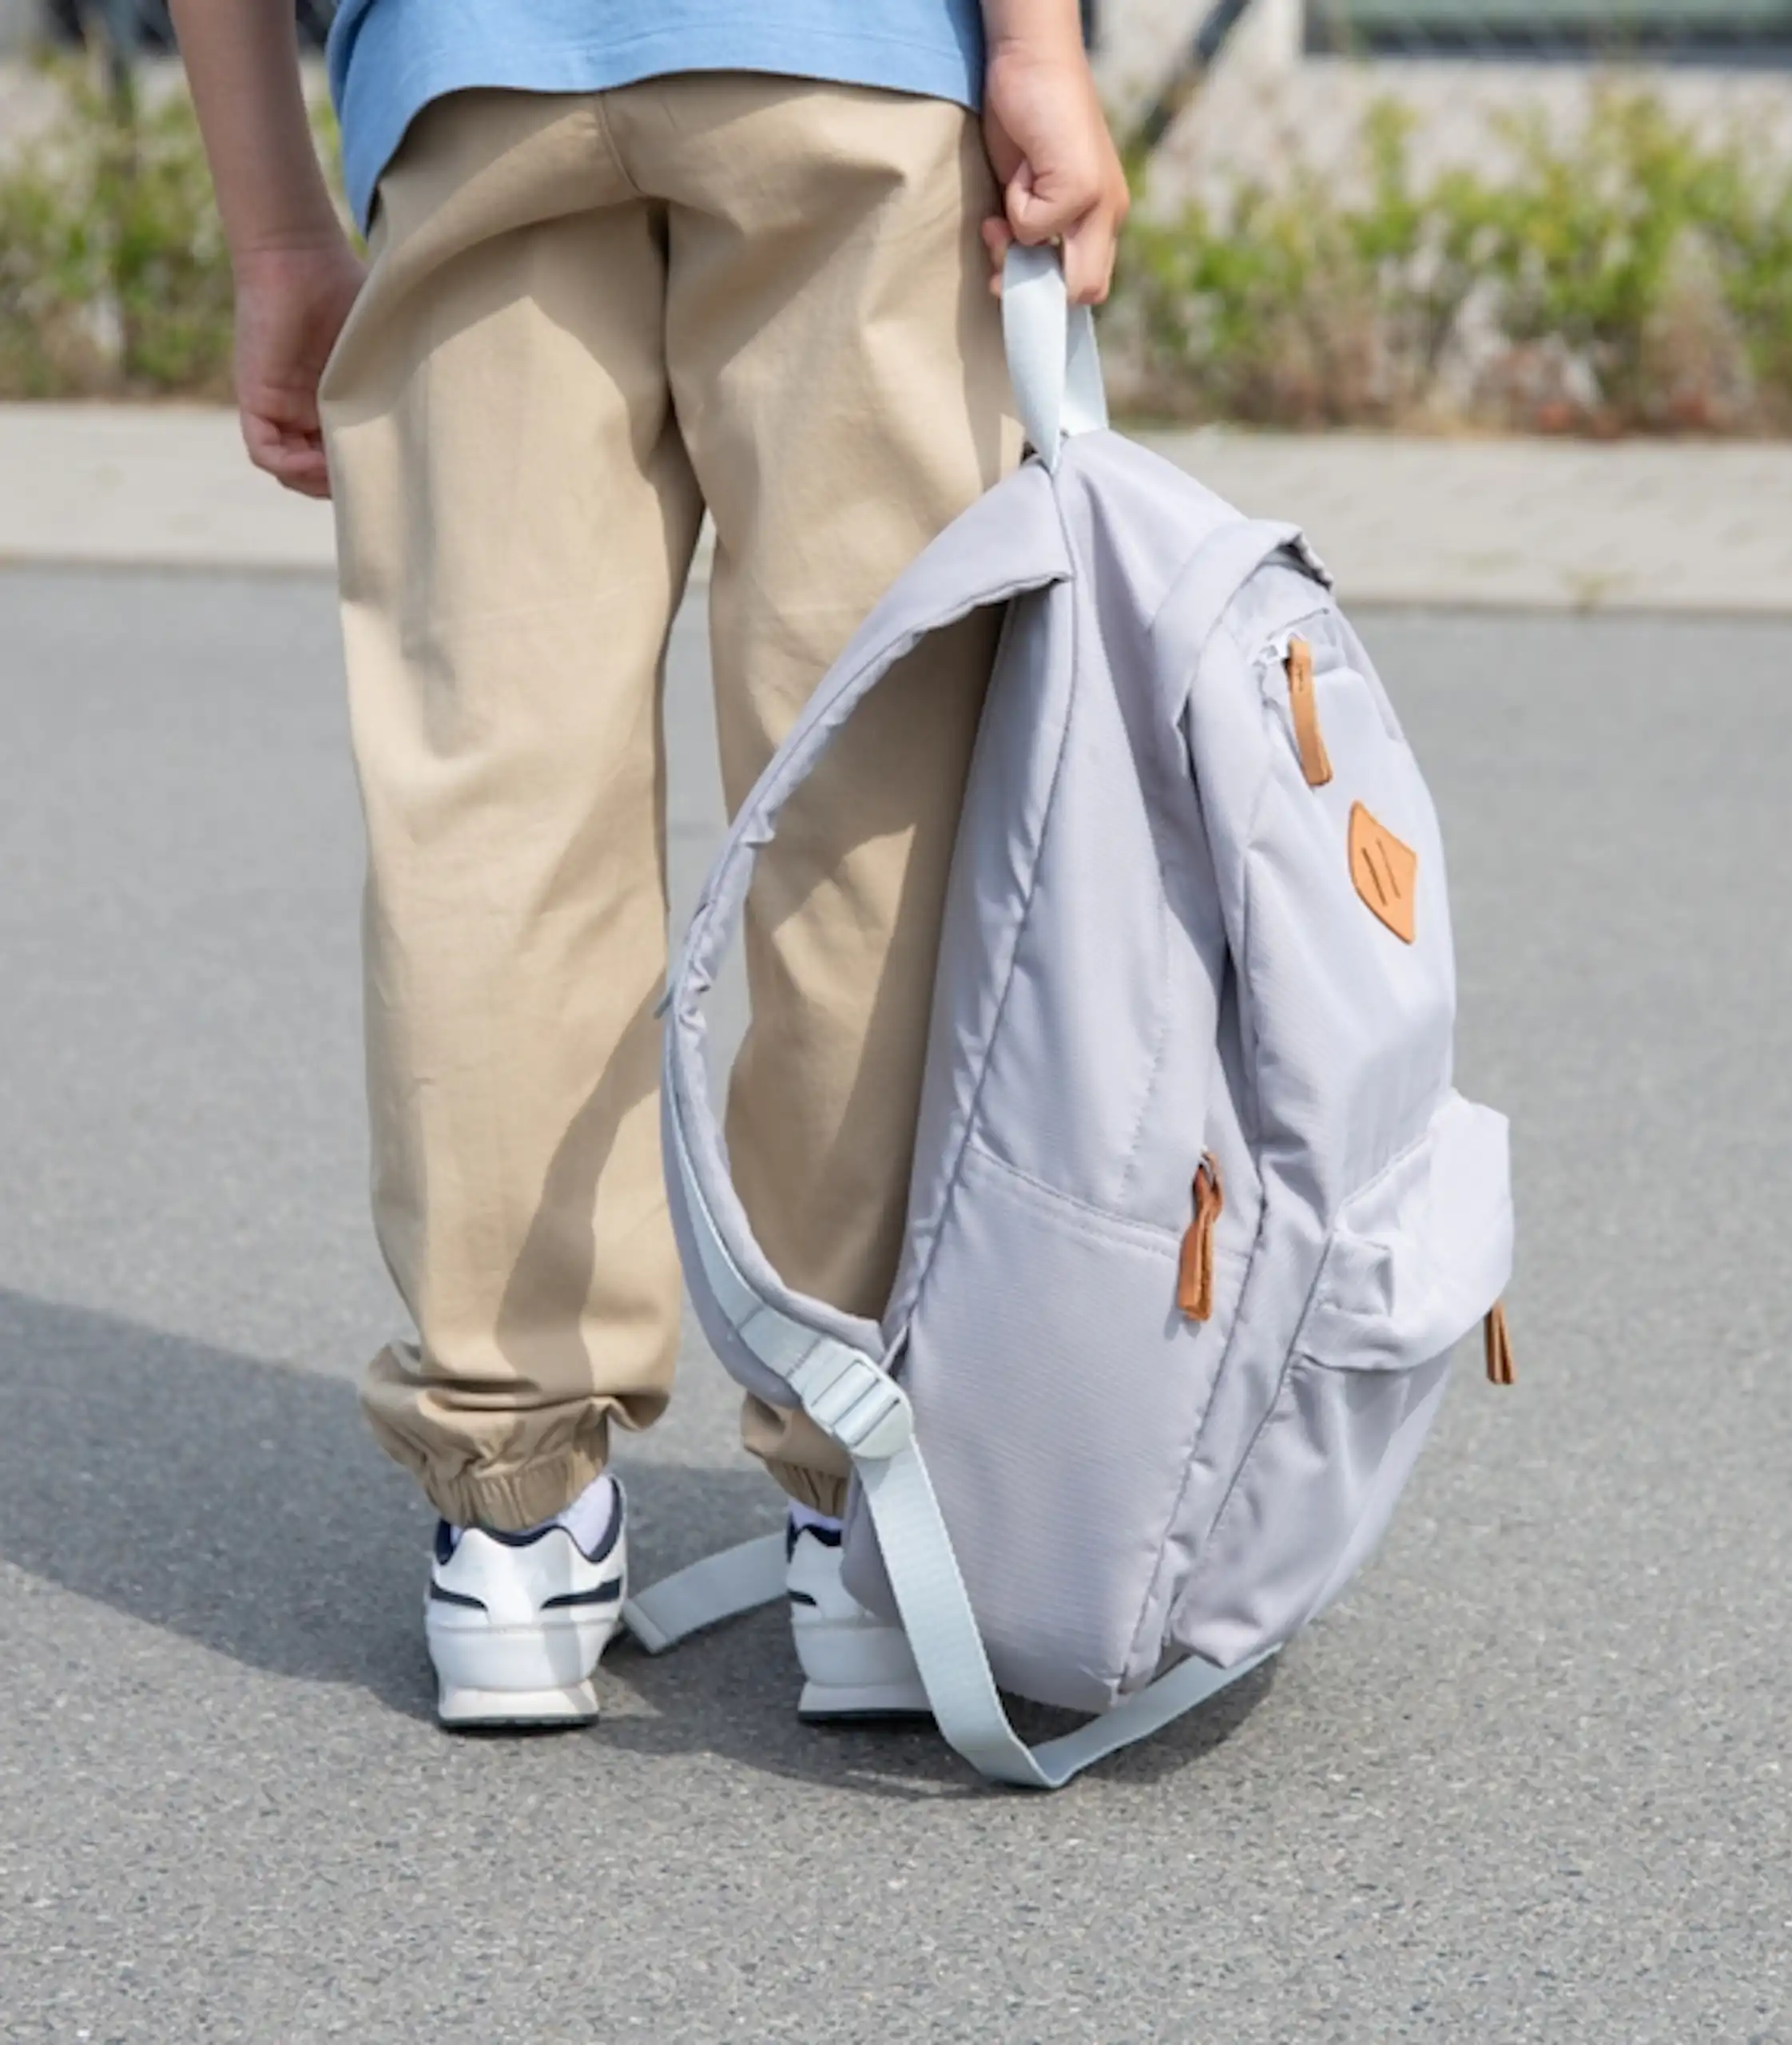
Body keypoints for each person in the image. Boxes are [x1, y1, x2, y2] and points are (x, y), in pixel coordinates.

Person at [168, 0, 1129, 1729]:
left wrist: (275, 226)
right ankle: (865, 1489)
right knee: (870, 782)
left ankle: (513, 1514)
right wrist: (1037, 46)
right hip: (840, 62)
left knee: (491, 790)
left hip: (464, 83)